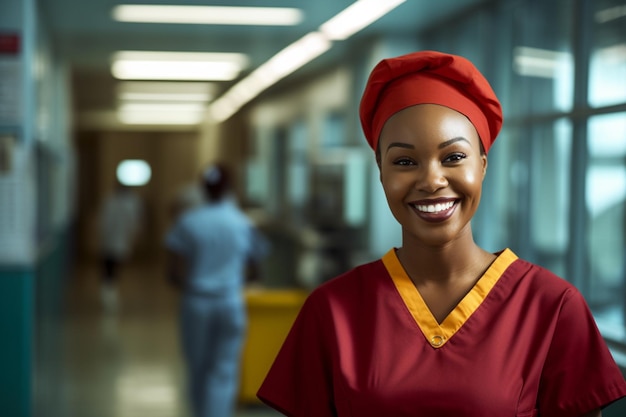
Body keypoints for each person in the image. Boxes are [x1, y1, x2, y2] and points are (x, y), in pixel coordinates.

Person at [256, 51, 626, 416]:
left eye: (453, 158)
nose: (431, 181)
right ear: (380, 171)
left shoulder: (552, 307)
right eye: (404, 162)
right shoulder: (332, 311)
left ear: (482, 165)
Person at [165, 163, 269, 417]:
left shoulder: (188, 222)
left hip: (197, 302)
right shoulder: (241, 222)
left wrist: (196, 284)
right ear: (230, 187)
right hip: (230, 302)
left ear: (202, 188)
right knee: (224, 369)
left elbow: (173, 272)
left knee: (198, 367)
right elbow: (255, 270)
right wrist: (230, 282)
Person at [98, 181, 142, 311]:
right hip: (113, 238)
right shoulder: (114, 201)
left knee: (113, 263)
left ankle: (109, 288)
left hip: (116, 238)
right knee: (111, 263)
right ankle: (109, 289)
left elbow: (134, 222)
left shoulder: (126, 202)